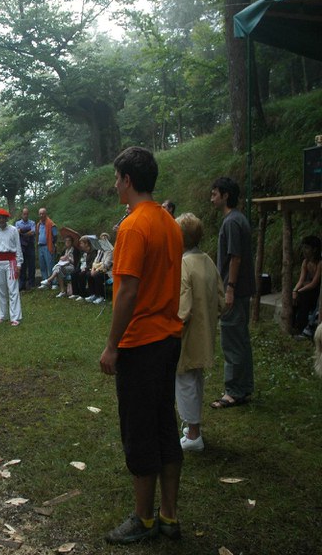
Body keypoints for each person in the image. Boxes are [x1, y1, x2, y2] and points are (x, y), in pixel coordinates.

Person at [99, 146, 183, 544]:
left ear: (128, 180)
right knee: (165, 424)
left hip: (141, 344)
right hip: (168, 339)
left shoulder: (134, 227)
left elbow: (129, 291)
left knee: (140, 431)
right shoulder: (169, 222)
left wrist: (112, 345)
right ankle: (169, 516)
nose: (115, 185)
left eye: (117, 178)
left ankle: (144, 519)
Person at [176, 213, 225, 452]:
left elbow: (182, 308)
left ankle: (194, 434)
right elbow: (221, 298)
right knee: (195, 378)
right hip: (205, 330)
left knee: (184, 380)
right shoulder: (207, 260)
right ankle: (193, 427)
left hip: (188, 332)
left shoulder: (184, 264)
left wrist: (171, 329)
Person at [210, 177, 256, 409]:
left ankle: (234, 392)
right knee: (241, 339)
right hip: (241, 290)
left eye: (215, 194)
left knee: (232, 340)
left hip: (235, 291)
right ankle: (244, 387)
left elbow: (235, 257)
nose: (212, 198)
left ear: (226, 195)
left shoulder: (231, 222)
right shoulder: (238, 219)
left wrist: (230, 288)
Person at [292, 235, 321, 337]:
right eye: (303, 247)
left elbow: (314, 284)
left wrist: (299, 292)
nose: (304, 250)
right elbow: (301, 280)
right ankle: (293, 325)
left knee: (304, 296)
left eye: (307, 248)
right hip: (308, 289)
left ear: (314, 249)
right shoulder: (305, 262)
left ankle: (302, 328)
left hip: (316, 292)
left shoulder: (320, 263)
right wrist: (294, 291)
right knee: (294, 298)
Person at [86, 233, 114, 305]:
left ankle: (101, 296)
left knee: (97, 276)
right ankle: (93, 294)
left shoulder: (110, 251)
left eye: (105, 239)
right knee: (89, 274)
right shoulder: (100, 250)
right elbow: (95, 261)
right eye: (102, 239)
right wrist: (93, 269)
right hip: (99, 269)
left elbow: (106, 265)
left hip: (107, 272)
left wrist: (97, 270)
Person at [15, 207, 37, 291]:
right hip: (22, 247)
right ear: (22, 214)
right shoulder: (17, 223)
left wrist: (23, 233)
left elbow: (33, 232)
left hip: (30, 246)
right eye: (24, 214)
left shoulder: (32, 222)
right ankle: (22, 283)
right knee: (22, 265)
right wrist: (26, 231)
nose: (25, 215)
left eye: (27, 214)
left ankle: (31, 283)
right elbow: (16, 232)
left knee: (31, 265)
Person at [36, 207, 58, 287]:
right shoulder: (38, 224)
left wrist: (52, 244)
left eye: (43, 213)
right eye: (40, 214)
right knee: (42, 266)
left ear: (46, 214)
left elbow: (55, 235)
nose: (41, 215)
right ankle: (45, 282)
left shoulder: (51, 224)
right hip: (40, 247)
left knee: (50, 265)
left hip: (48, 246)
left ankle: (54, 282)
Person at [70, 236, 96, 300]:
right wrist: (77, 268)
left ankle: (82, 294)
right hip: (82, 267)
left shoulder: (93, 252)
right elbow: (80, 262)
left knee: (82, 274)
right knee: (73, 273)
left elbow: (93, 262)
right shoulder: (83, 252)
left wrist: (86, 268)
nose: (80, 245)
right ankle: (75, 293)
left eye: (81, 243)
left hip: (89, 268)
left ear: (86, 244)